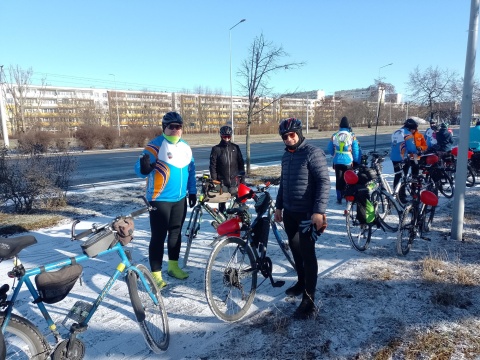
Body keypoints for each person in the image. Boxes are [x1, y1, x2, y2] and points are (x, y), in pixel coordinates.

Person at [274, 118, 330, 320]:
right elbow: (283, 184)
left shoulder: (312, 153)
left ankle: (309, 299)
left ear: (299, 133)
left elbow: (324, 182)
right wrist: (279, 206)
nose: (289, 139)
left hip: (308, 214)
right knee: (296, 250)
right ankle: (300, 281)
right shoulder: (286, 156)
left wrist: (318, 211)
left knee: (308, 253)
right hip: (290, 212)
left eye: (292, 135)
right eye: (285, 137)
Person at [134, 111, 197, 289]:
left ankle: (173, 267)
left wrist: (192, 191)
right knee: (158, 236)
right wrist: (144, 169)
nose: (176, 130)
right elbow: (139, 168)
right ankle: (155, 274)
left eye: (179, 127)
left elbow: (191, 171)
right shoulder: (155, 146)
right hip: (159, 199)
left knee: (176, 233)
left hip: (180, 199)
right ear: (164, 128)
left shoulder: (185, 146)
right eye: (172, 127)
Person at [209, 125, 245, 213]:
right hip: (222, 183)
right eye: (225, 136)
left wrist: (242, 179)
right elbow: (213, 166)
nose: (227, 138)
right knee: (222, 207)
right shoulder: (216, 149)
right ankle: (223, 223)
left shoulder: (235, 148)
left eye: (229, 136)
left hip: (235, 181)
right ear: (221, 136)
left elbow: (241, 164)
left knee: (240, 205)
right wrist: (214, 180)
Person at [327, 116, 361, 204]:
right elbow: (356, 149)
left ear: (340, 126)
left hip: (337, 161)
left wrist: (334, 154)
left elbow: (330, 148)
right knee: (348, 179)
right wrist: (357, 160)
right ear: (348, 126)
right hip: (348, 161)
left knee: (339, 179)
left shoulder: (334, 135)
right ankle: (347, 197)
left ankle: (339, 197)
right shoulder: (352, 136)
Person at [390, 118, 419, 199]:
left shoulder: (396, 132)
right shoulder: (407, 134)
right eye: (414, 129)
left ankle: (396, 193)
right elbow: (411, 148)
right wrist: (417, 151)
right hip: (402, 158)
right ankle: (401, 196)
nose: (414, 131)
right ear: (411, 128)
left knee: (397, 175)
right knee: (403, 176)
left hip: (394, 157)